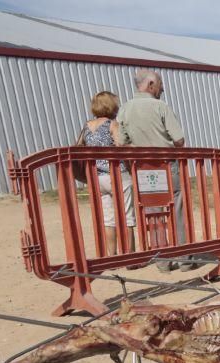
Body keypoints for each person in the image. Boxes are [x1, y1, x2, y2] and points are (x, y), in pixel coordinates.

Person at [117, 69, 192, 272]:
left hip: (143, 169)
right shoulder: (160, 106)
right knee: (177, 207)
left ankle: (162, 261)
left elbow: (121, 142)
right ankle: (185, 259)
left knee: (153, 211)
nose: (163, 88)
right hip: (168, 164)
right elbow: (179, 139)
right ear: (150, 85)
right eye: (160, 84)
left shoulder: (124, 109)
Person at [80, 91, 135, 256]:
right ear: (110, 105)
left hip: (98, 177)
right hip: (118, 174)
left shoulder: (87, 126)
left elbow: (78, 146)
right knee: (127, 216)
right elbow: (121, 145)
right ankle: (131, 255)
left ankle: (112, 255)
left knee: (109, 219)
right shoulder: (112, 124)